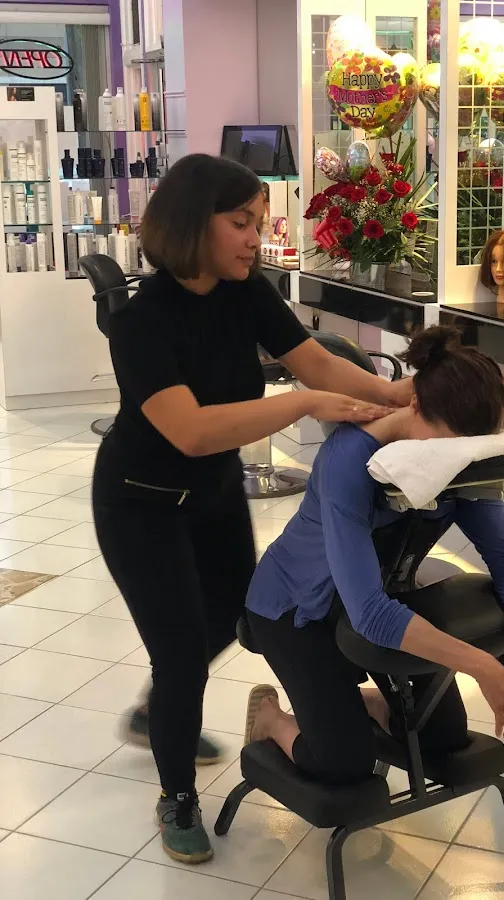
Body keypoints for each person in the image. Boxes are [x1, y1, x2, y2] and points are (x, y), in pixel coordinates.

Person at [92, 153, 412, 865]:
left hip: (212, 493)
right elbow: (191, 430)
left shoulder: (246, 291)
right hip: (140, 505)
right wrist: (300, 406)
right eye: (241, 223)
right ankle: (177, 796)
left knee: (236, 618)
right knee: (182, 658)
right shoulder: (139, 322)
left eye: (259, 223)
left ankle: (155, 711)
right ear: (191, 224)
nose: (255, 238)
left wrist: (395, 395)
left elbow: (315, 361)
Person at [245, 327, 504, 787]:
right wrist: (481, 664)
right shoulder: (347, 461)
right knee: (342, 763)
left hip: (385, 598)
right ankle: (271, 718)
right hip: (296, 610)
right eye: (442, 446)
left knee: (443, 739)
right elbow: (370, 614)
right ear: (414, 404)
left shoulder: (465, 459)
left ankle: (363, 706)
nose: (450, 460)